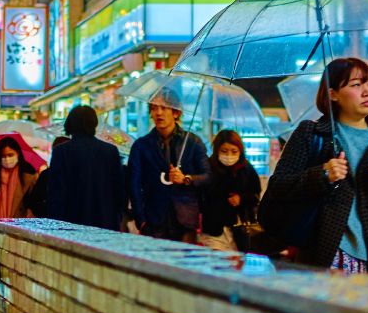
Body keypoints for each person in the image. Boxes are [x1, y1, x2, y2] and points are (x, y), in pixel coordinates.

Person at [261, 57, 368, 275]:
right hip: (326, 252)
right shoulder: (312, 133)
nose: (367, 92)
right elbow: (279, 186)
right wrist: (322, 175)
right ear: (333, 94)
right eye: (356, 85)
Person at [128, 91, 210, 241]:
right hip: (153, 219)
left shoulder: (193, 142)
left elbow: (207, 176)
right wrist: (140, 220)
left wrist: (186, 178)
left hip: (185, 219)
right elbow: (134, 184)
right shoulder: (141, 146)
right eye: (154, 108)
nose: (158, 113)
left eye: (164, 108)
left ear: (176, 113)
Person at [44, 106, 126, 230]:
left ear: (70, 124)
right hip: (104, 220)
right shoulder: (110, 151)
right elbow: (119, 190)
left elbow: (55, 191)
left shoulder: (61, 151)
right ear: (94, 124)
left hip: (69, 223)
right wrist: (117, 216)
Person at [199, 130, 262, 252]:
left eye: (234, 151)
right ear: (217, 150)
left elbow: (255, 196)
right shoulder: (208, 168)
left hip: (240, 229)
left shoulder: (247, 169)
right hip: (214, 229)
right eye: (224, 151)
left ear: (240, 151)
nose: (229, 155)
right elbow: (203, 194)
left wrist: (241, 198)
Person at [0, 136, 40, 220]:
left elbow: (35, 203)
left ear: (18, 153)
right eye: (3, 156)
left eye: (10, 155)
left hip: (18, 223)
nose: (7, 159)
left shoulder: (28, 174)